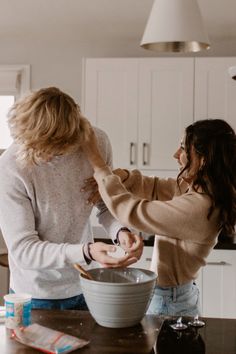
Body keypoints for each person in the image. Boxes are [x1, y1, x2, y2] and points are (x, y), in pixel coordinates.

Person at [0, 87, 143, 310]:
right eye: (40, 147)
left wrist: (120, 231)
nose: (47, 157)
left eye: (56, 149)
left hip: (84, 284)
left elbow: (104, 204)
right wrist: (86, 251)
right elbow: (24, 250)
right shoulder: (11, 167)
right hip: (35, 295)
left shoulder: (96, 144)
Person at [81, 118, 236, 316]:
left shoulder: (200, 206)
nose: (176, 154)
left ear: (203, 160)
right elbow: (154, 187)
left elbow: (132, 210)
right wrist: (119, 176)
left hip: (170, 302)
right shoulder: (201, 190)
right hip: (176, 295)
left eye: (183, 148)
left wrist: (97, 162)